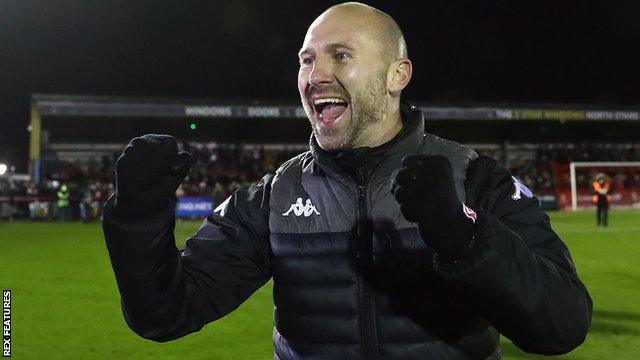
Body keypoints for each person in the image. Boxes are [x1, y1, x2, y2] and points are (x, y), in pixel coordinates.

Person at [102, 3, 591, 359]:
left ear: (397, 74)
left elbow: (562, 325)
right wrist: (139, 218)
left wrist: (466, 236)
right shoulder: (274, 197)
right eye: (307, 59)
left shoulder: (476, 179)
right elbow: (164, 313)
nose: (316, 75)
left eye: (340, 55)